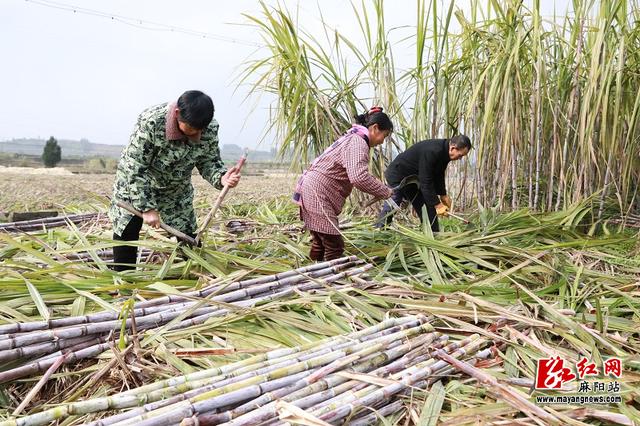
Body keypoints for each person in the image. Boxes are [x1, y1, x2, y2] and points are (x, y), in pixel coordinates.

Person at [108, 90, 241, 271]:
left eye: (201, 130)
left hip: (175, 189)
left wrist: (221, 177)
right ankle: (123, 282)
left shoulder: (207, 127)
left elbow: (208, 160)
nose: (197, 135)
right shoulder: (152, 122)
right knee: (127, 229)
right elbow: (135, 168)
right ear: (177, 114)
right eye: (193, 129)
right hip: (137, 185)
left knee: (187, 236)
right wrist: (147, 208)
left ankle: (193, 275)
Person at [293, 107, 394, 261]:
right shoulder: (358, 142)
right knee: (335, 245)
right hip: (317, 192)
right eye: (384, 136)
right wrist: (385, 191)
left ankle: (312, 272)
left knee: (321, 242)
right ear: (375, 128)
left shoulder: (353, 137)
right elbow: (359, 177)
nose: (382, 141)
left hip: (311, 189)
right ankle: (331, 279)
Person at [376, 135, 471, 232]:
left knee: (427, 206)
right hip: (398, 175)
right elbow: (426, 180)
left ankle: (433, 234)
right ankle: (379, 230)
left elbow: (439, 174)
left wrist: (443, 195)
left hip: (413, 180)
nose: (460, 159)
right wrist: (438, 205)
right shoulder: (433, 151)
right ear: (453, 148)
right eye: (460, 155)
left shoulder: (445, 152)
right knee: (394, 202)